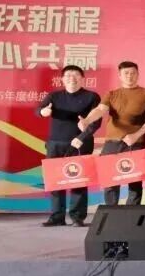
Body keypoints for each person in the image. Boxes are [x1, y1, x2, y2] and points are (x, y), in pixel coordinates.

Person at [77, 61, 145, 206]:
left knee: (135, 182)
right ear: (120, 76)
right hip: (112, 143)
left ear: (138, 74)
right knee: (110, 181)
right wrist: (87, 120)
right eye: (126, 73)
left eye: (133, 73)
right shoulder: (112, 94)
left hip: (136, 143)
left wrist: (136, 135)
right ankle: (112, 212)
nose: (130, 76)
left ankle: (132, 213)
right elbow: (100, 110)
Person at [37, 65, 101, 227]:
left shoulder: (91, 97)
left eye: (76, 75)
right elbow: (39, 110)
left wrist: (81, 137)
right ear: (62, 79)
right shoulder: (54, 96)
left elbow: (96, 122)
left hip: (80, 143)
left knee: (79, 180)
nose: (72, 78)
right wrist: (43, 112)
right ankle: (57, 216)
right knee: (55, 180)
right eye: (68, 75)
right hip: (55, 143)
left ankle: (77, 216)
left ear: (83, 78)